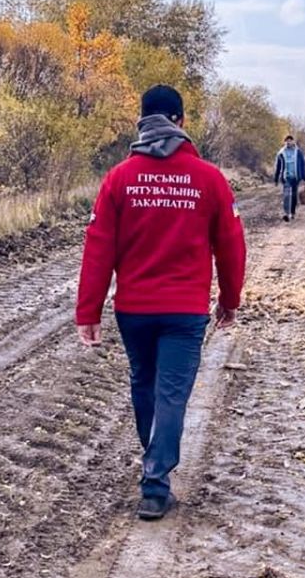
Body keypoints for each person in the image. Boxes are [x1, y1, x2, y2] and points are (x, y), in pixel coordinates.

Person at [75, 84, 247, 521]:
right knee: (171, 395)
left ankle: (154, 467)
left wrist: (88, 312)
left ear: (141, 122)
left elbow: (98, 248)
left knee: (144, 385)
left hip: (134, 309)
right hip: (185, 312)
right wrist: (230, 300)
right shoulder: (209, 178)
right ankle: (155, 482)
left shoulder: (119, 178)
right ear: (182, 122)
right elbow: (231, 246)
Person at [273, 133, 305, 222]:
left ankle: (292, 212)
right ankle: (286, 214)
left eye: (290, 140)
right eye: (287, 141)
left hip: (296, 178)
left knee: (294, 196)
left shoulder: (298, 152)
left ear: (293, 142)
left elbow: (303, 165)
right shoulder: (281, 153)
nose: (288, 142)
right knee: (286, 195)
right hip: (286, 177)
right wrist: (276, 178)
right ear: (285, 142)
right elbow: (278, 166)